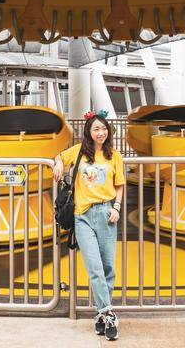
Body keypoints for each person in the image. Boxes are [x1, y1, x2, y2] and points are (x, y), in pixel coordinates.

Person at [53, 110, 125, 341]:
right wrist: (57, 164)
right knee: (94, 267)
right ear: (88, 131)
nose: (101, 132)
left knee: (108, 267)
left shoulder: (114, 155)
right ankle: (108, 313)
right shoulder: (79, 151)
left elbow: (119, 184)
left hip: (106, 213)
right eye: (96, 129)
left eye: (104, 129)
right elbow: (59, 157)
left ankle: (101, 315)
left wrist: (117, 207)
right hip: (82, 215)